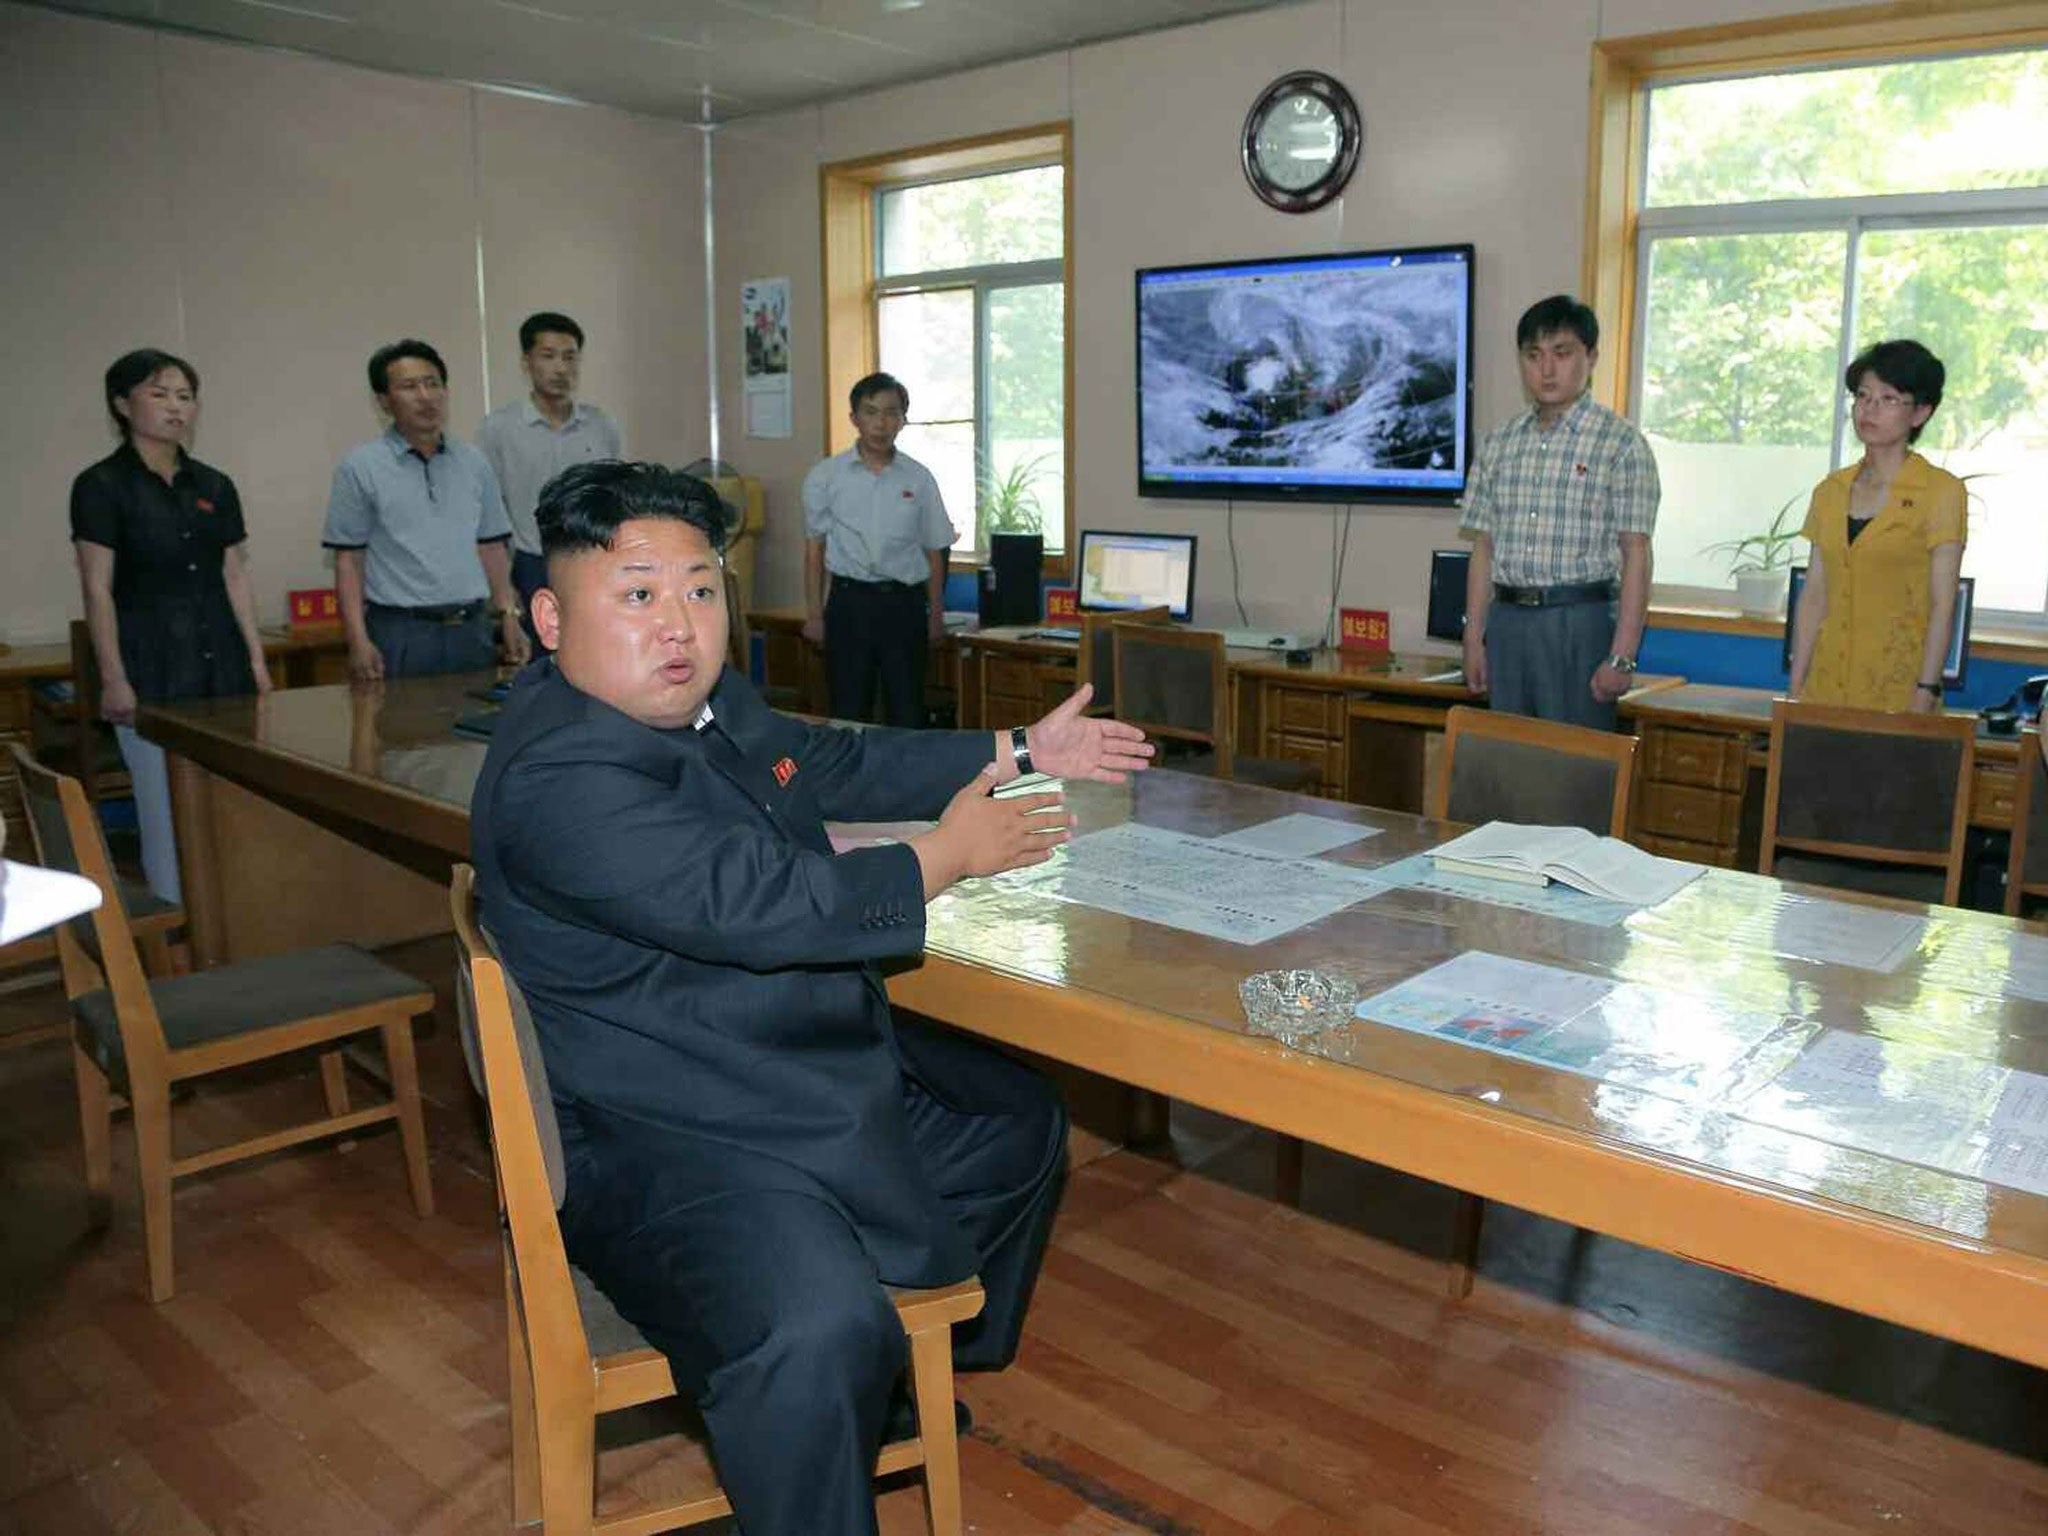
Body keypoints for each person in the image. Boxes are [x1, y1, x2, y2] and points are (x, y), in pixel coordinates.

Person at [471, 460, 1151, 1536]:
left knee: (1014, 1127)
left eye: (700, 588)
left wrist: (1018, 747)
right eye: (638, 594)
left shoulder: (694, 703)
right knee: (812, 1326)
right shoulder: (560, 775)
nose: (679, 625)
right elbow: (760, 902)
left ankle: (889, 1386)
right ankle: (833, 1401)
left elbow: (817, 764)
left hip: (773, 1064)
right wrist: (942, 856)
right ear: (551, 618)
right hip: (671, 1134)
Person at [70, 349, 271, 904]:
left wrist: (256, 663)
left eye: (185, 396)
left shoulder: (214, 484)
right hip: (150, 664)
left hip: (222, 664)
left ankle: (231, 923)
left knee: (228, 803)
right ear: (121, 403)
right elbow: (97, 588)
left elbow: (234, 576)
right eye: (158, 394)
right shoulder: (102, 485)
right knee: (162, 811)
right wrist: (113, 677)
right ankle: (178, 937)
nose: (175, 407)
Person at [1460, 295, 1661, 730]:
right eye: (1533, 356)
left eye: (1561, 353)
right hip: (1508, 622)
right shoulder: (1499, 443)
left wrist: (1622, 656)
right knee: (1510, 764)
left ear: (1591, 357)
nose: (1546, 370)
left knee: (1574, 771)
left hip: (1579, 622)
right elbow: (1483, 548)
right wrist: (1474, 638)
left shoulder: (1621, 443)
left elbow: (1636, 554)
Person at [321, 339, 531, 681]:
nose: (425, 396)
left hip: (471, 629)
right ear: (384, 402)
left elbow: (492, 548)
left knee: (473, 730)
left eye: (433, 383)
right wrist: (357, 640)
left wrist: (509, 616)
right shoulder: (360, 467)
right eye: (409, 386)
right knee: (404, 731)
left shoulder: (474, 463)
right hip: (401, 632)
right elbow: (349, 562)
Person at [1789, 340, 1966, 713]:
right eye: (1863, 396)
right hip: (1825, 691)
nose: (1869, 409)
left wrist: (1926, 690)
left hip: (1900, 695)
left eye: (1888, 399)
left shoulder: (1941, 491)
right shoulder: (1831, 490)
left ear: (1920, 413)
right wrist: (1795, 691)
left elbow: (1942, 604)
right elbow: (1815, 595)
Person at [801, 372, 954, 727]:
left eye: (891, 413)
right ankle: (851, 783)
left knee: (907, 711)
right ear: (854, 418)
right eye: (871, 412)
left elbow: (934, 551)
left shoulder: (919, 478)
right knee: (849, 711)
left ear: (903, 419)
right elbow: (814, 551)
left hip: (904, 605)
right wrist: (814, 614)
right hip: (848, 604)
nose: (881, 423)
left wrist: (936, 615)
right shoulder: (825, 476)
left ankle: (910, 783)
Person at [476, 311, 624, 634]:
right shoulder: (499, 428)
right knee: (538, 669)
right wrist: (502, 590)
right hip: (529, 564)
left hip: (591, 560)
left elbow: (614, 503)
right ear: (526, 362)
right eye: (548, 356)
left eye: (570, 358)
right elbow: (488, 512)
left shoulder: (601, 426)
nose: (561, 368)